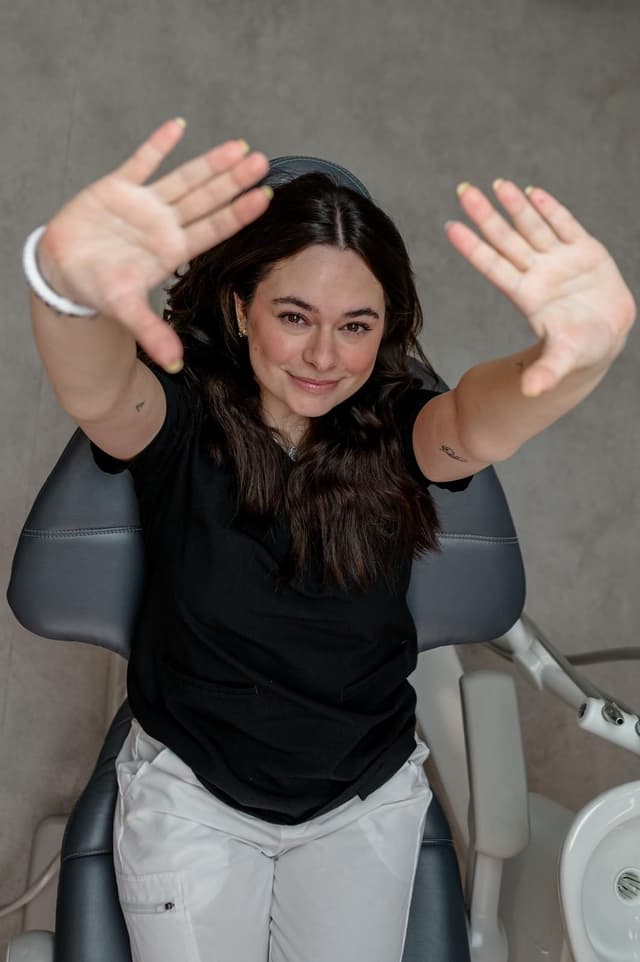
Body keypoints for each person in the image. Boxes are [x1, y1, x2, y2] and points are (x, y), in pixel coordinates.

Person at [24, 117, 635, 962]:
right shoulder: (179, 413)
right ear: (240, 309)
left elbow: (480, 420)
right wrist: (64, 290)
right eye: (294, 315)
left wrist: (574, 360)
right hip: (197, 791)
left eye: (355, 325)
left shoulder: (400, 427)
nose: (323, 356)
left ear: (386, 328)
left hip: (360, 800)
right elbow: (97, 389)